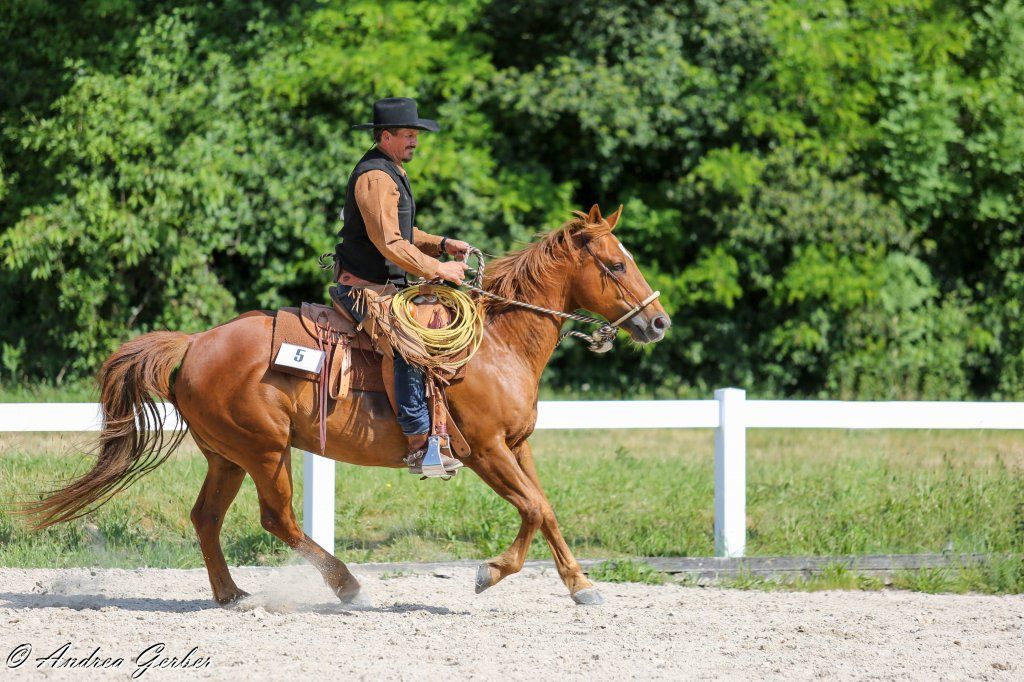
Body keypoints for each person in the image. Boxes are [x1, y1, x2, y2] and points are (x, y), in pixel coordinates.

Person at [333, 97, 470, 475]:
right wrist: (438, 268)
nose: (415, 142)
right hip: (365, 287)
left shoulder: (391, 170)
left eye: (416, 135)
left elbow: (402, 232)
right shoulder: (376, 176)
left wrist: (440, 243)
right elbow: (388, 243)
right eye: (408, 135)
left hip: (384, 286)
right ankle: (419, 441)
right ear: (386, 136)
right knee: (407, 343)